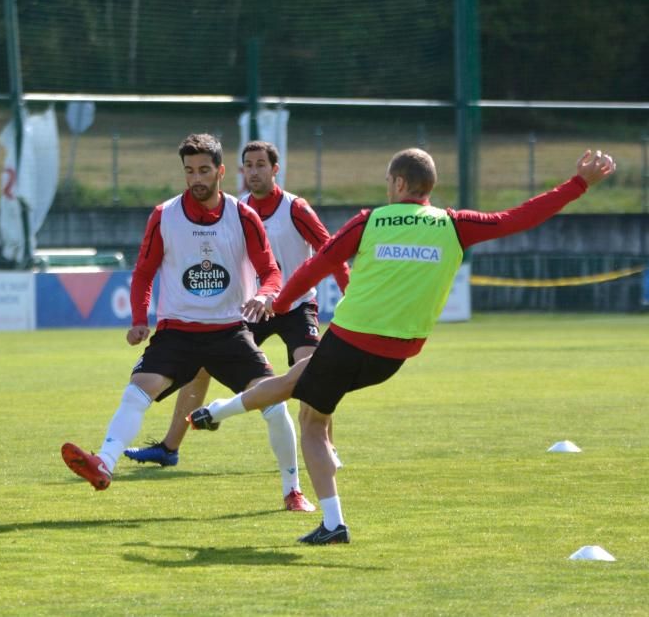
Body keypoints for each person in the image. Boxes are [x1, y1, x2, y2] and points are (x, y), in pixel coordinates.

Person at [187, 147, 616, 545]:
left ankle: (333, 523)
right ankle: (213, 413)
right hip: (393, 357)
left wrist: (276, 304)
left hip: (349, 340)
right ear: (428, 187)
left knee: (313, 422)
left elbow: (317, 265)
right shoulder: (453, 224)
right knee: (294, 379)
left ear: (396, 183)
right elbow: (518, 217)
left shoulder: (370, 221)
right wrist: (578, 184)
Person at [62, 133, 314, 507]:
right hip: (177, 332)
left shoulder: (242, 216)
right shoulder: (164, 215)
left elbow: (271, 271)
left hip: (230, 331)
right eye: (189, 171)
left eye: (204, 170)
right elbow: (144, 273)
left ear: (221, 172)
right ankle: (105, 464)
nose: (196, 178)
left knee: (274, 402)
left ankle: (292, 491)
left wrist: (264, 295)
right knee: (137, 389)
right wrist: (138, 319)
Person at [123, 141, 350, 510]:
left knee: (311, 370)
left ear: (276, 170)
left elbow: (331, 250)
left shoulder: (296, 208)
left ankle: (325, 446)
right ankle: (170, 447)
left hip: (294, 305)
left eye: (261, 164)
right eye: (249, 165)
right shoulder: (234, 209)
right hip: (253, 306)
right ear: (239, 170)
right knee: (200, 366)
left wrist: (348, 293)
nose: (254, 171)